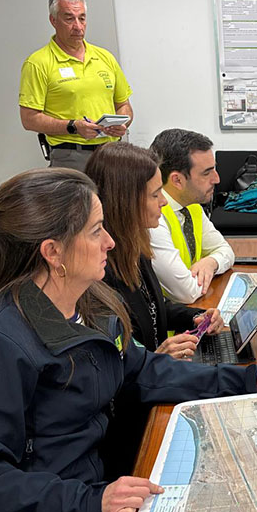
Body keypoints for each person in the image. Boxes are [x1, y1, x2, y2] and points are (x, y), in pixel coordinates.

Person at [0, 168, 257, 512]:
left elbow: (142, 370)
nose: (111, 242)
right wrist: (90, 502)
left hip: (101, 484)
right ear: (53, 252)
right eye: (96, 231)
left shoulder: (92, 303)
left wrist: (242, 378)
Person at [85, 142, 221, 359]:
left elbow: (151, 308)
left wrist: (196, 316)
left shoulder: (135, 246)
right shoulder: (99, 269)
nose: (164, 202)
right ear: (126, 200)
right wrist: (156, 358)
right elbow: (114, 361)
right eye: (155, 194)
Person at [19, 0, 133, 171]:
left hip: (113, 153)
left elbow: (124, 105)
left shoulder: (105, 57)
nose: (78, 27)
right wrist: (73, 126)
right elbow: (29, 119)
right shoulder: (38, 63)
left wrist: (122, 124)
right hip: (71, 156)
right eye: (69, 19)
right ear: (53, 21)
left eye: (82, 18)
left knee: (118, 201)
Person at [149, 129, 235, 304]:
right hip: (172, 325)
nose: (217, 179)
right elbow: (186, 292)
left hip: (196, 310)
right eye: (206, 173)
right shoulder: (152, 218)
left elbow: (226, 251)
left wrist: (211, 262)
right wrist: (210, 266)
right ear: (177, 180)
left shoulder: (191, 205)